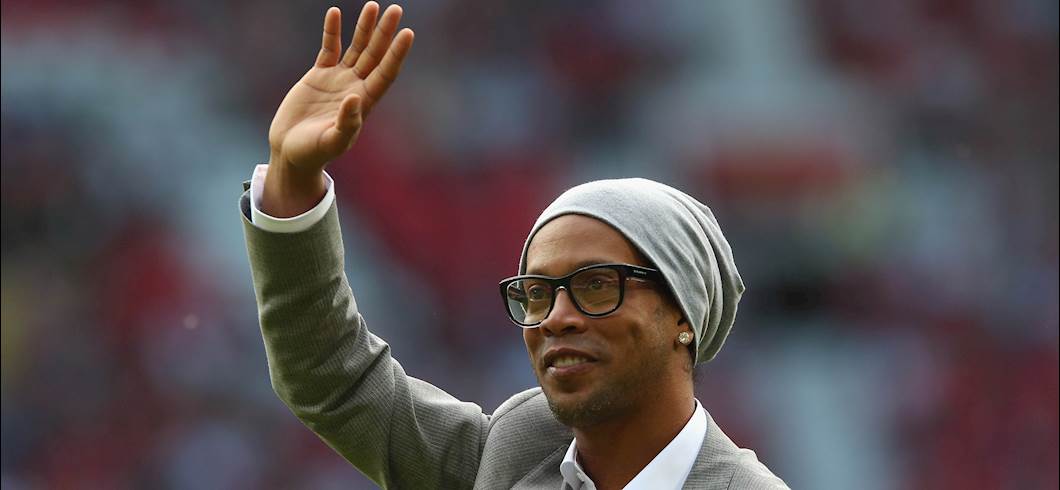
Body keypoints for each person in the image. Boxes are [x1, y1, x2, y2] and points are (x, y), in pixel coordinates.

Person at [241, 3, 788, 488]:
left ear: (683, 315)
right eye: (537, 294)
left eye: (597, 286)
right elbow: (333, 379)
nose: (557, 319)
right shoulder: (519, 453)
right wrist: (292, 178)